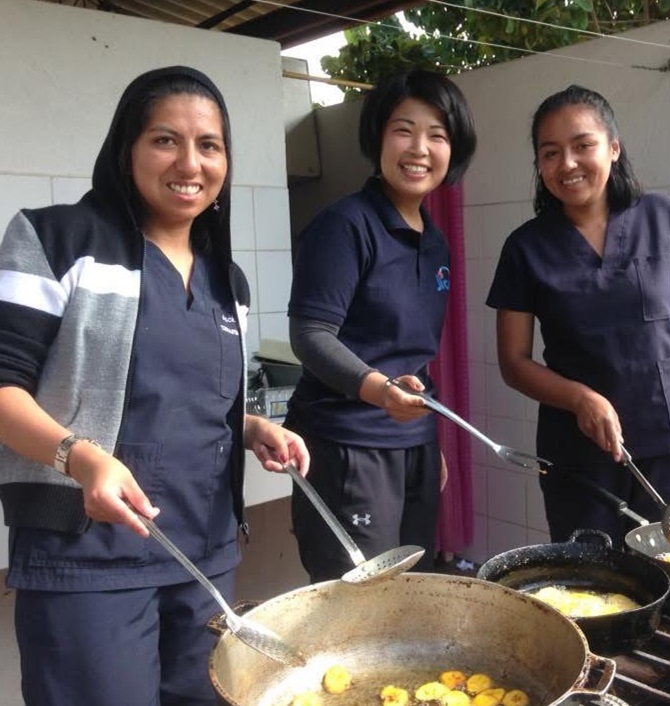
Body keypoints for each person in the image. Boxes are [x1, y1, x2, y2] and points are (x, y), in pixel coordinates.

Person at [0, 65, 309, 706]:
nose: (189, 162)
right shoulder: (56, 240)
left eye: (209, 145)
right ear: (128, 150)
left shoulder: (229, 282)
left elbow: (183, 397)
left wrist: (251, 427)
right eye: (165, 139)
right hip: (88, 561)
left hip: (206, 555)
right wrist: (80, 459)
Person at [486, 84, 670, 547]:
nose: (568, 164)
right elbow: (513, 362)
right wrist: (581, 398)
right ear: (539, 165)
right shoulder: (525, 248)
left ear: (613, 149)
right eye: (550, 153)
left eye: (583, 145)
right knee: (592, 585)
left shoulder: (664, 216)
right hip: (580, 453)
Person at [285, 69, 477, 583]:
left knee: (412, 590)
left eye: (437, 134)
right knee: (358, 601)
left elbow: (411, 357)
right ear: (378, 138)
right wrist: (379, 391)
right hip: (347, 447)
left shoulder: (433, 241)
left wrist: (427, 437)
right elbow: (311, 334)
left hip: (408, 445)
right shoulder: (346, 225)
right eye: (403, 130)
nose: (420, 148)